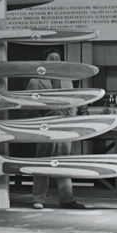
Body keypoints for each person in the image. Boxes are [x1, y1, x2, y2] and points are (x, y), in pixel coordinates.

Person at [28, 51, 85, 210]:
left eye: (57, 58)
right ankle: (38, 199)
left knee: (64, 161)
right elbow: (27, 104)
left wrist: (71, 119)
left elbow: (73, 102)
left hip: (65, 125)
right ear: (45, 61)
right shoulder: (35, 80)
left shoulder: (67, 80)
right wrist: (39, 118)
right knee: (42, 161)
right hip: (44, 126)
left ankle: (67, 199)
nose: (55, 61)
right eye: (51, 58)